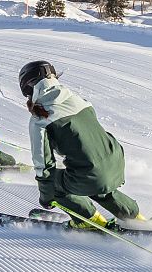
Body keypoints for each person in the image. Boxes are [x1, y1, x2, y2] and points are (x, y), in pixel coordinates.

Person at [17, 61, 145, 227]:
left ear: (28, 88)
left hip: (92, 173)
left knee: (56, 185)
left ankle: (88, 220)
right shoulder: (77, 99)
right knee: (97, 183)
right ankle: (136, 218)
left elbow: (44, 165)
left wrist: (47, 197)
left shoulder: (40, 120)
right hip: (115, 162)